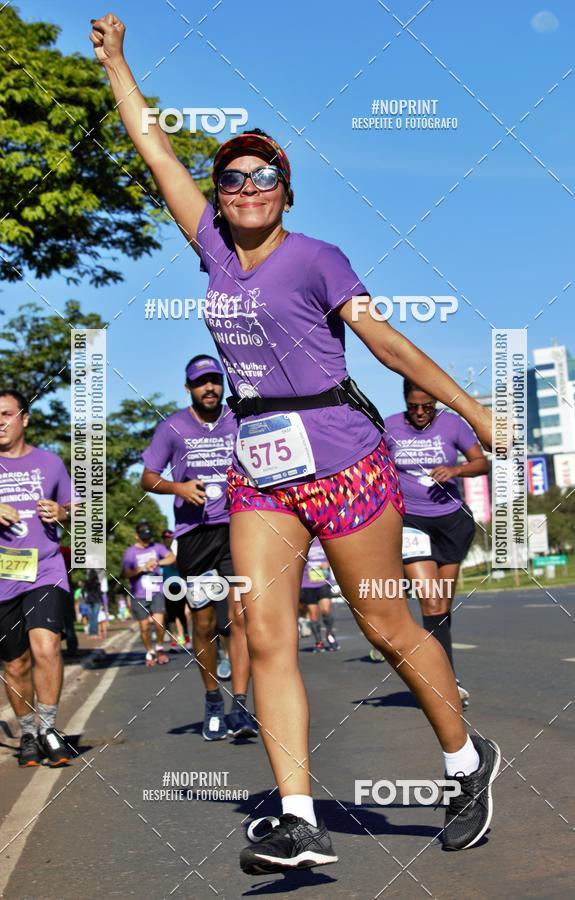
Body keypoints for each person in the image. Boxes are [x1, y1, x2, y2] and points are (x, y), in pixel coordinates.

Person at [91, 14, 500, 871]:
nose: (245, 187)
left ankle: (466, 763)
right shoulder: (208, 248)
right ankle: (299, 817)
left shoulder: (318, 258)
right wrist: (119, 63)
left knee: (388, 625)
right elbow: (152, 147)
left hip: (346, 457)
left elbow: (388, 343)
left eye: (263, 175)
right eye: (232, 176)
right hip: (259, 469)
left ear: (287, 188)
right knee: (263, 628)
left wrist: (478, 409)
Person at [140, 355, 256, 741]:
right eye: (201, 382)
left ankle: (240, 705)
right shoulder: (172, 427)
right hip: (194, 536)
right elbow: (148, 478)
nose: (210, 388)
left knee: (239, 619)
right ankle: (212, 701)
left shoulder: (238, 420)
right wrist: (178, 488)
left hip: (235, 528)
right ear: (188, 388)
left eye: (215, 381)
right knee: (203, 623)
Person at [385, 381, 490, 706]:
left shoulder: (452, 424)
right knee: (430, 602)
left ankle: (446, 674)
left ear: (435, 403)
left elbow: (481, 463)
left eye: (427, 406)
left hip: (452, 522)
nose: (420, 412)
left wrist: (457, 468)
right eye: (414, 406)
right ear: (405, 401)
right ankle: (442, 683)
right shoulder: (389, 427)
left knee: (442, 607)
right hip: (412, 522)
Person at [0, 389, 74, 766]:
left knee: (46, 647)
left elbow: (79, 508)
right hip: (2, 578)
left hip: (45, 568)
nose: (0, 421)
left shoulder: (49, 462)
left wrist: (61, 513)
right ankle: (27, 732)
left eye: (6, 413)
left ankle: (48, 728)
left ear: (24, 418)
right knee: (15, 663)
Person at [121, 523, 174, 666]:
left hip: (156, 591)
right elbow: (125, 573)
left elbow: (171, 558)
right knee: (144, 627)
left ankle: (160, 648)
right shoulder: (130, 552)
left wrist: (158, 562)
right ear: (136, 536)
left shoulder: (157, 547)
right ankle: (150, 651)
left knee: (159, 623)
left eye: (148, 537)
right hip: (139, 594)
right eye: (143, 537)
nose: (146, 541)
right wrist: (143, 567)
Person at [300, 539, 339, 652]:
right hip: (307, 583)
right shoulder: (303, 540)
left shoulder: (324, 540)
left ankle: (329, 634)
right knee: (313, 614)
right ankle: (319, 641)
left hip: (323, 582)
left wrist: (328, 563)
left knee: (326, 610)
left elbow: (335, 555)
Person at [161, 529, 190, 651]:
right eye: (165, 538)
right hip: (167, 586)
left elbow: (179, 565)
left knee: (182, 614)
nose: (167, 539)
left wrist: (173, 557)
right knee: (170, 616)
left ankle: (186, 638)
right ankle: (174, 642)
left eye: (169, 537)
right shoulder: (161, 552)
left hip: (179, 584)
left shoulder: (177, 550)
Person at [82, 568, 103, 639]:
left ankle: (91, 634)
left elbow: (82, 592)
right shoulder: (98, 583)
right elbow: (100, 593)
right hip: (96, 601)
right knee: (95, 617)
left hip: (88, 601)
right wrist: (102, 602)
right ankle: (95, 633)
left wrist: (85, 598)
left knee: (91, 618)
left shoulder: (87, 583)